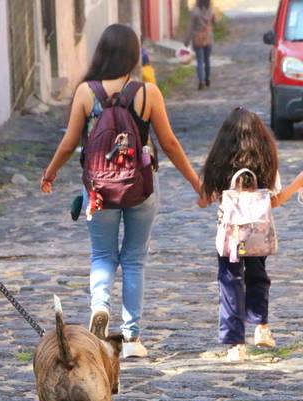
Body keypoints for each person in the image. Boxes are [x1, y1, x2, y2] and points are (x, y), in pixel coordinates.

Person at [40, 24, 201, 359]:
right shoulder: (147, 93)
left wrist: (51, 172)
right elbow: (169, 143)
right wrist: (197, 183)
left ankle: (100, 310)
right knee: (133, 259)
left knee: (102, 255)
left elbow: (70, 142)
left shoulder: (86, 92)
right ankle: (131, 338)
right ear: (132, 54)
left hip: (98, 189)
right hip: (141, 187)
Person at [198, 108, 303, 362]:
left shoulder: (219, 164)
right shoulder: (266, 163)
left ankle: (236, 344)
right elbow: (275, 201)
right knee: (258, 276)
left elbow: (204, 200)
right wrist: (298, 183)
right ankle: (261, 328)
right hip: (258, 234)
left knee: (229, 282)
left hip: (230, 238)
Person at [185, 0, 216, 90]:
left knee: (199, 61)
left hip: (197, 38)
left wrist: (186, 41)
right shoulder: (211, 10)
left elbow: (190, 27)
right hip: (208, 37)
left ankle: (201, 81)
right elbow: (215, 22)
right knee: (207, 60)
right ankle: (207, 79)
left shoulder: (195, 11)